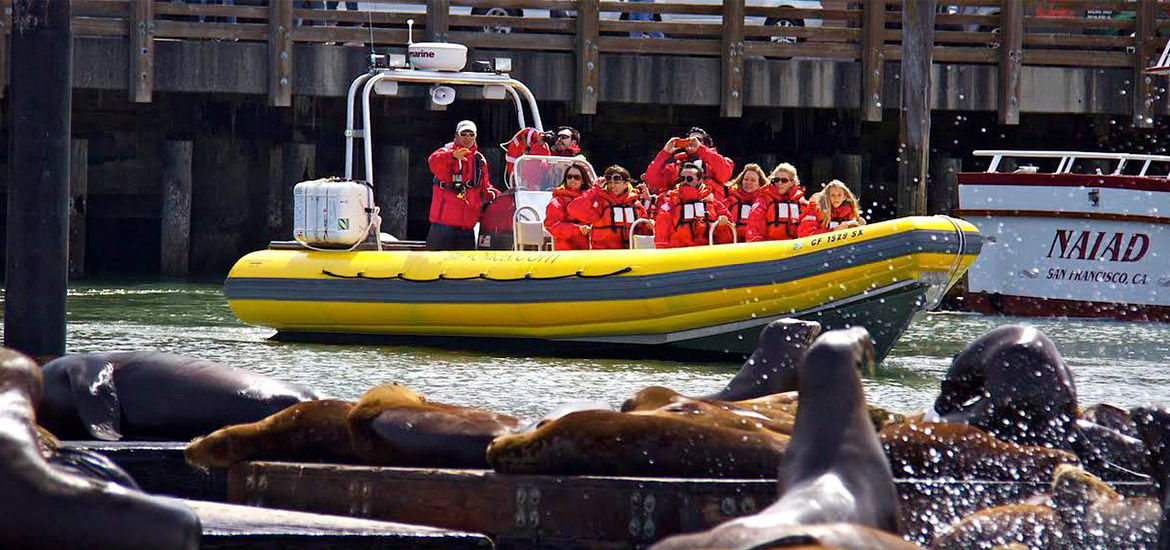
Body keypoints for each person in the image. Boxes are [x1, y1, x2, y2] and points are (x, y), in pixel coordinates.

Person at [426, 120, 499, 250]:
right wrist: (452, 156)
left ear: (475, 137)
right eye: (464, 133)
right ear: (456, 136)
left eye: (471, 134)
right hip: (443, 226)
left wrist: (501, 196)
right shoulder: (445, 152)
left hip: (466, 228)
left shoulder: (479, 160)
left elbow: (486, 186)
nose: (467, 137)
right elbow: (433, 162)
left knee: (464, 269)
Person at [569, 165, 652, 250]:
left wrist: (650, 226)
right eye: (609, 183)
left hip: (629, 255)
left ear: (626, 184)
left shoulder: (635, 204)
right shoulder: (600, 202)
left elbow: (645, 231)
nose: (612, 186)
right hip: (604, 256)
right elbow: (573, 208)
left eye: (616, 183)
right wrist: (595, 189)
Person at [642, 127, 734, 200]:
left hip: (709, 214)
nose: (693, 142)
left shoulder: (719, 162)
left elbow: (725, 174)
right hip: (681, 213)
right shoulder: (675, 167)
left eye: (698, 140)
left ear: (706, 144)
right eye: (689, 140)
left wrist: (701, 150)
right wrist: (665, 153)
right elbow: (651, 179)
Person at [653, 163, 730, 249]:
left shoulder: (713, 203)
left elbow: (727, 236)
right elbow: (661, 236)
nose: (685, 181)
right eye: (682, 178)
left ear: (700, 180)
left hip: (706, 253)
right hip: (679, 254)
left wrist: (722, 224)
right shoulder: (670, 203)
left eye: (689, 179)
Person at [746, 163, 807, 242]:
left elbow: (807, 227)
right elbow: (755, 226)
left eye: (784, 180)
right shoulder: (764, 200)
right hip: (771, 247)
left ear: (792, 182)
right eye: (776, 180)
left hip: (794, 247)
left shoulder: (801, 202)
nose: (779, 183)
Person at [543, 163, 593, 251]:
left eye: (577, 177)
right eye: (569, 177)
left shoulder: (591, 199)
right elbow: (552, 226)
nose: (572, 180)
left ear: (583, 181)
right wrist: (577, 229)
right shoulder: (557, 201)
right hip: (566, 252)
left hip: (590, 251)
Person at [796, 179, 865, 238]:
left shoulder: (850, 213)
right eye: (832, 195)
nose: (836, 198)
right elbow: (806, 235)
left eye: (839, 195)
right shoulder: (815, 209)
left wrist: (860, 228)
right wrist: (834, 230)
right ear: (827, 196)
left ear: (844, 197)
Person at [721, 163, 769, 243]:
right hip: (733, 244)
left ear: (760, 183)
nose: (748, 182)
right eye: (746, 179)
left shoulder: (765, 203)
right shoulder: (730, 201)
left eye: (753, 180)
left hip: (756, 246)